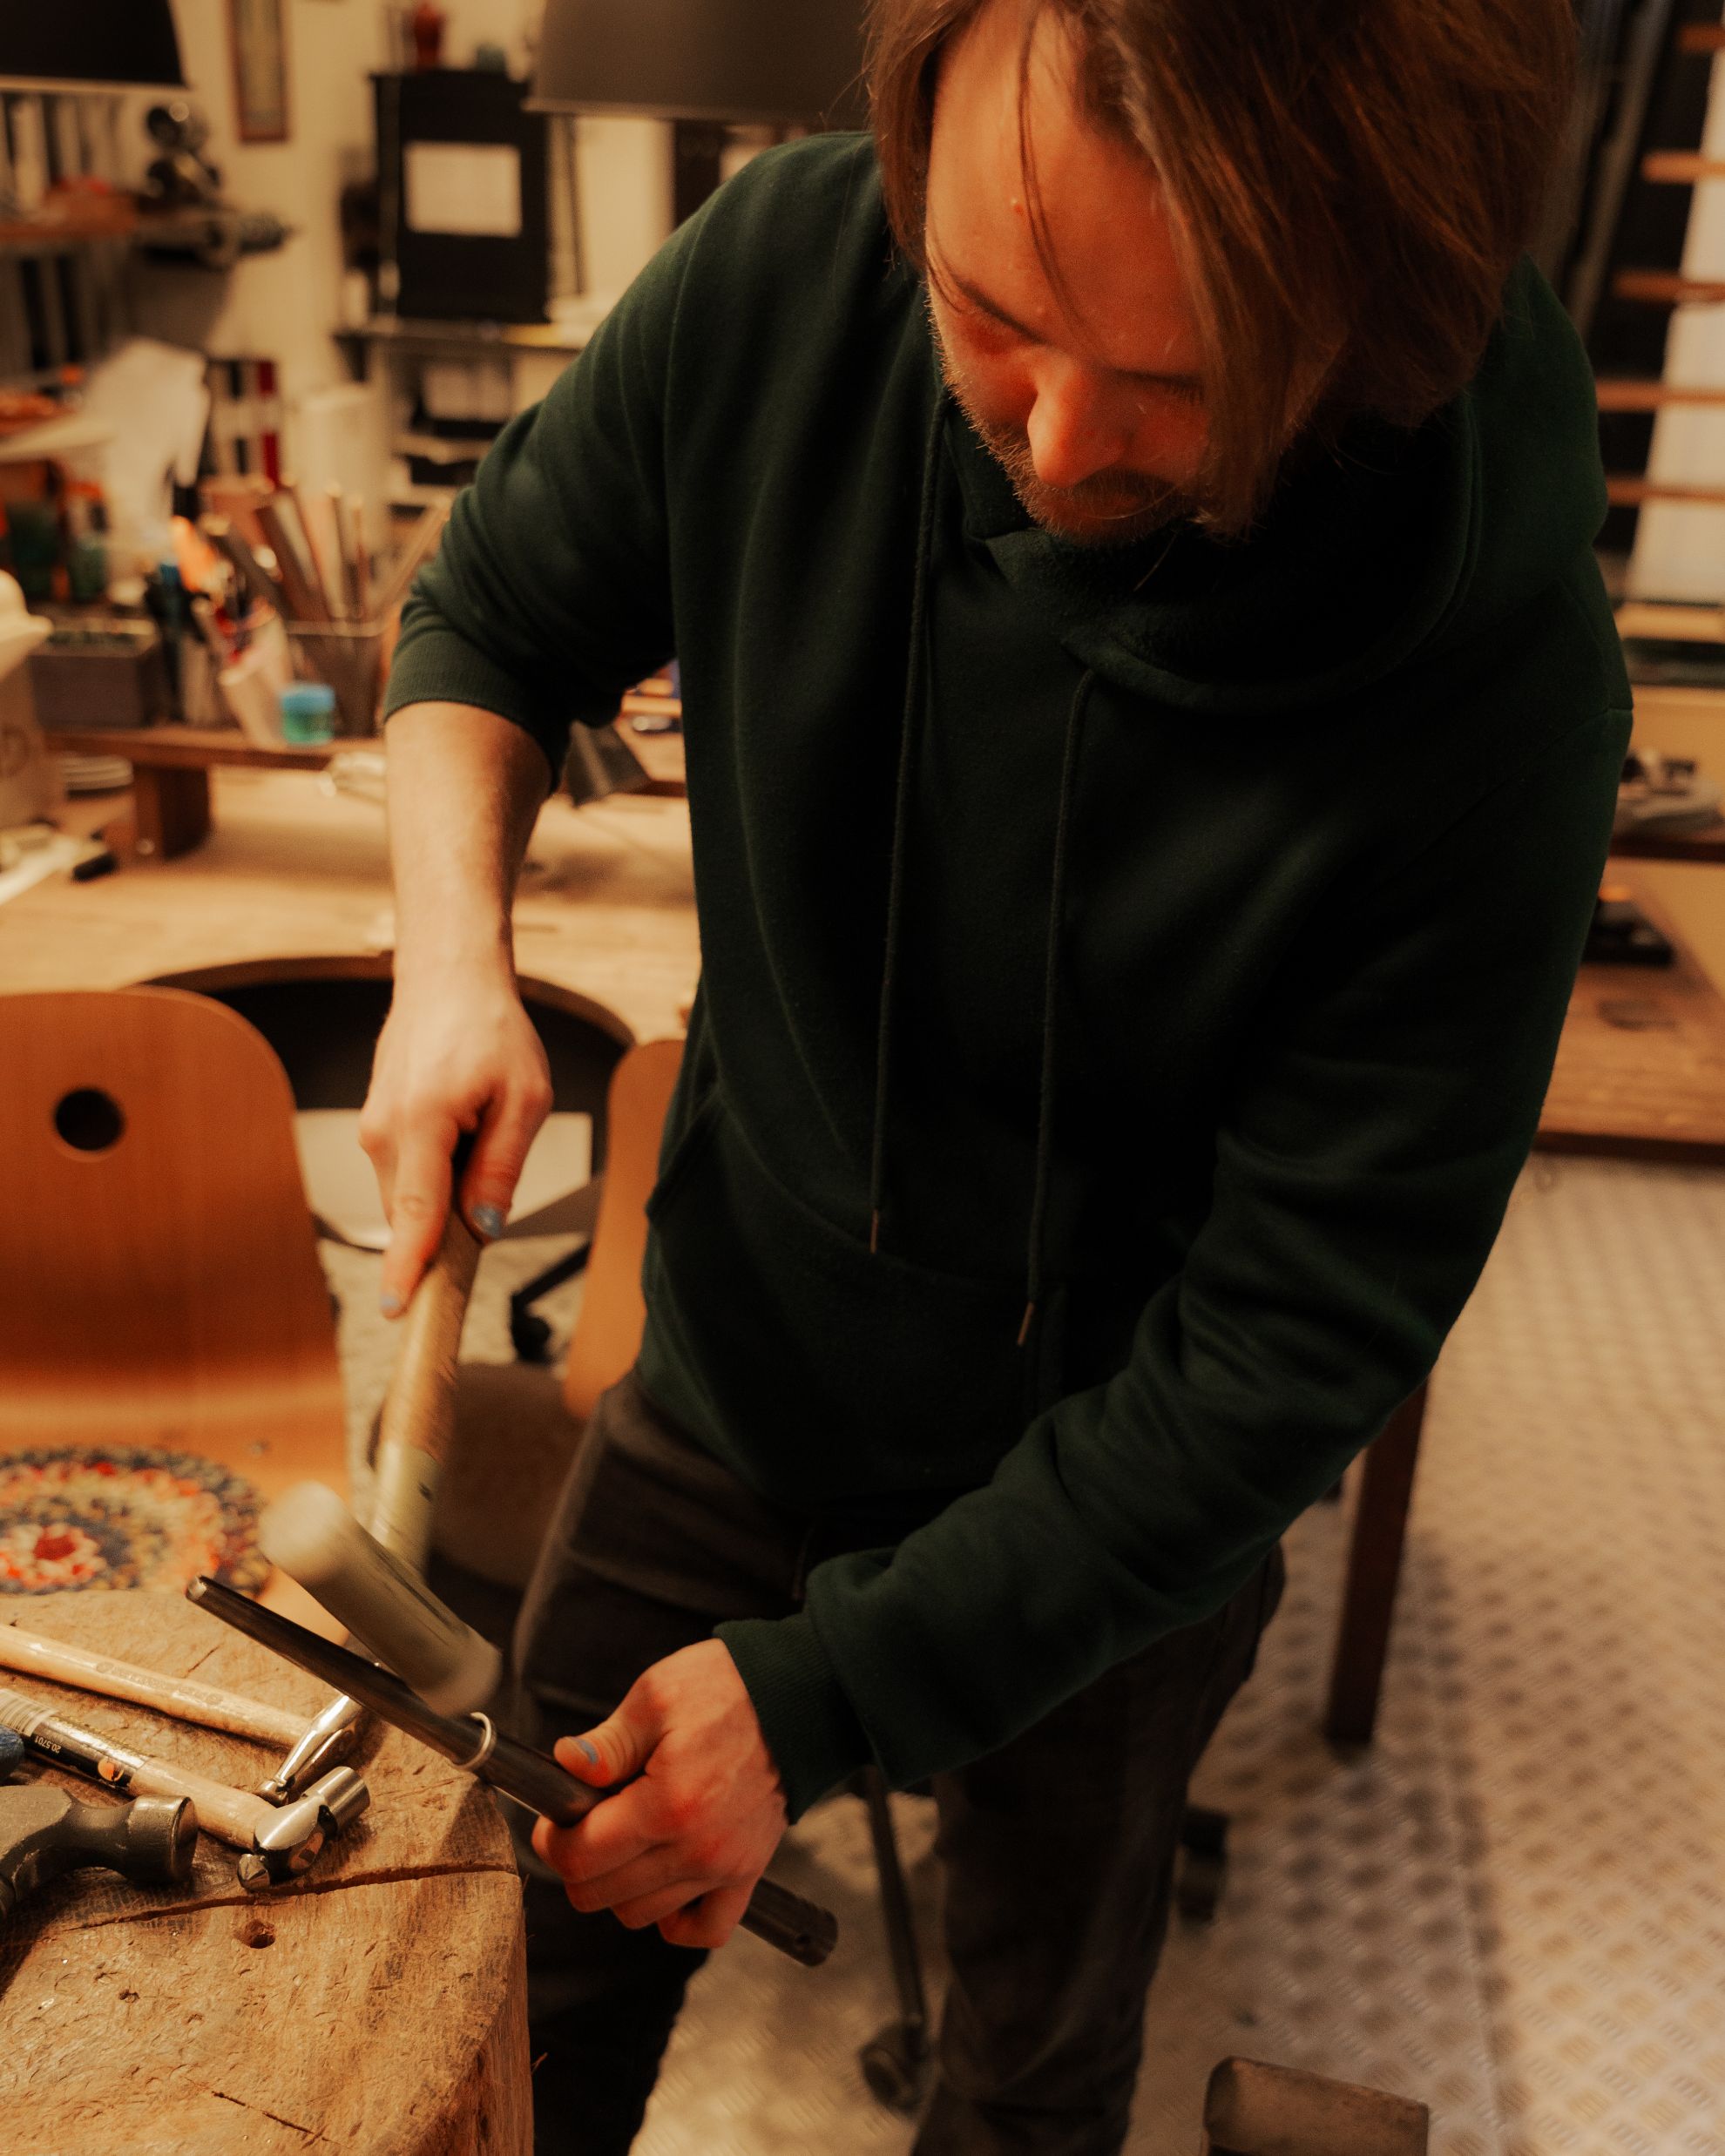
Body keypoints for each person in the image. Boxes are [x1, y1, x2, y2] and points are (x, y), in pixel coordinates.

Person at [360, 0, 1627, 2148]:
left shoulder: (1494, 679)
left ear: (1374, 330)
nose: (1049, 438)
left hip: (1118, 1485)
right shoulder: (787, 273)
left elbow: (1291, 1342)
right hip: (744, 1353)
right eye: (989, 313)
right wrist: (452, 963)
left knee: (1029, 2062)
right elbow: (489, 612)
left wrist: (831, 1689)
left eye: (1181, 386)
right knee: (513, 1966)